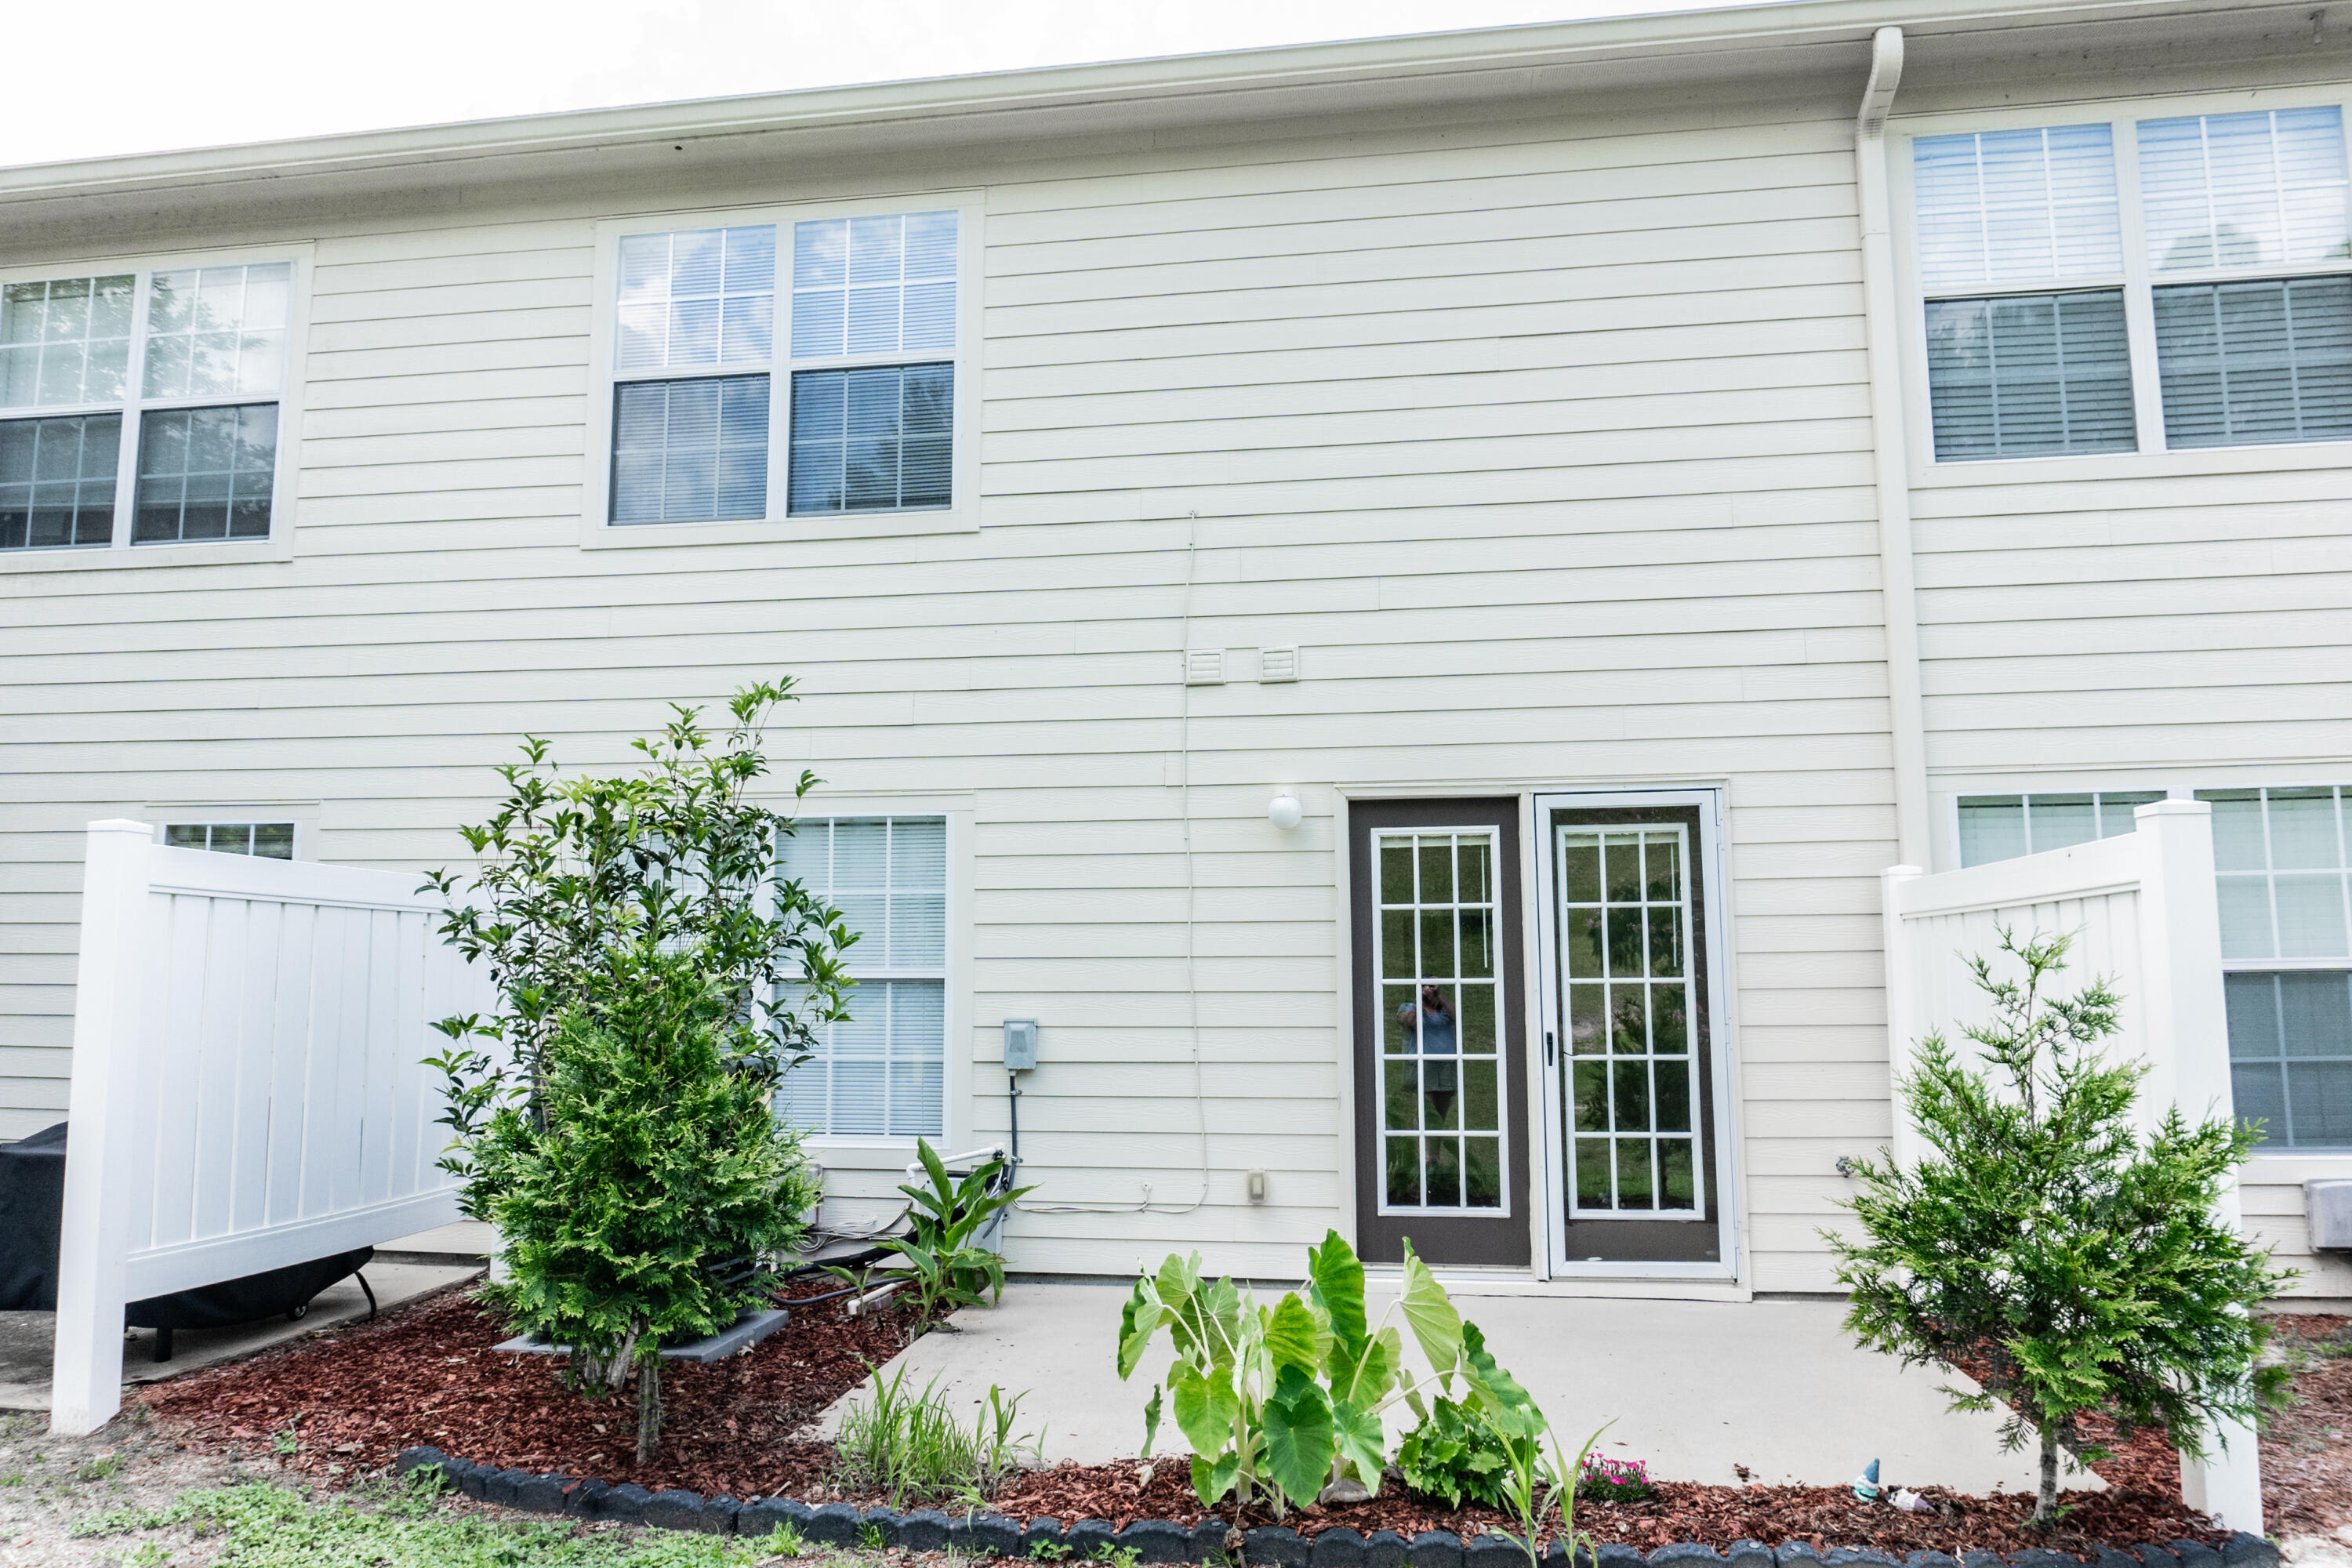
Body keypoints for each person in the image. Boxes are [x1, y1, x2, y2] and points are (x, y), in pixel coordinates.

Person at [1396, 984, 1458, 1122]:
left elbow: (1456, 1017)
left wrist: (1439, 997)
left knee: (1441, 1116)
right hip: (1422, 1064)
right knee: (1422, 1114)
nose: (1428, 989)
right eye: (1424, 986)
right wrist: (1420, 1001)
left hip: (1446, 1065)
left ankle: (1436, 1143)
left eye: (1432, 986)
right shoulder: (1408, 1007)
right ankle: (1423, 1144)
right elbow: (1411, 1023)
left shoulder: (1443, 1009)